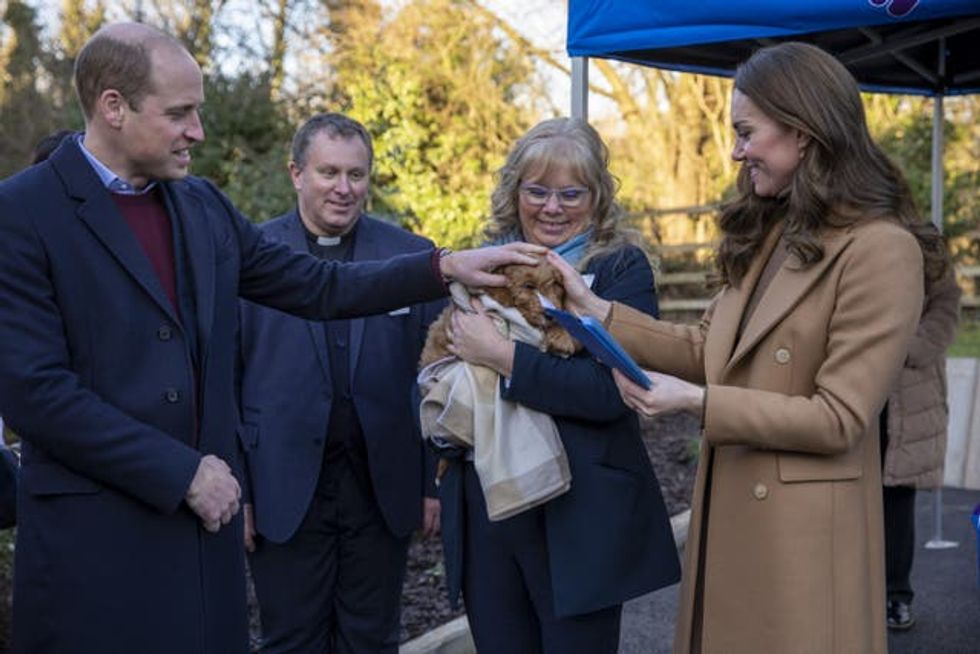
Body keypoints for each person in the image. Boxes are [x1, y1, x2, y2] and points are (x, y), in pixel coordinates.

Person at [0, 22, 539, 654]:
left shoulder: (200, 205)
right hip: (96, 548)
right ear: (114, 107)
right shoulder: (22, 212)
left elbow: (318, 286)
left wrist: (439, 267)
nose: (198, 131)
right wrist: (181, 474)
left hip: (201, 548)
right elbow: (36, 395)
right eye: (180, 113)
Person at [548, 42, 944, 653]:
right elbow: (709, 348)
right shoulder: (771, 229)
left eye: (746, 131)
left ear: (804, 131)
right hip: (732, 521)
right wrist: (594, 308)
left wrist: (699, 403)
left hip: (802, 551)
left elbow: (839, 418)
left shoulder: (881, 249)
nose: (735, 149)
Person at [438, 117, 680, 653]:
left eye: (571, 193)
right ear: (514, 193)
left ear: (597, 197)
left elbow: (607, 392)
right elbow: (444, 361)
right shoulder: (483, 267)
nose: (553, 207)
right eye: (538, 191)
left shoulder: (619, 269)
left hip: (581, 514)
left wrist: (503, 356)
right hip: (490, 511)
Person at [238, 112, 445, 653]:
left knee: (372, 640)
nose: (344, 188)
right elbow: (226, 383)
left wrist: (431, 483)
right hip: (282, 484)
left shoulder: (412, 258)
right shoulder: (248, 259)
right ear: (296, 173)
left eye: (357, 174)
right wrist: (241, 495)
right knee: (290, 640)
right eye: (329, 172)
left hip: (381, 486)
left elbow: (438, 379)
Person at [880, 256, 960, 631]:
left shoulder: (924, 244)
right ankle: (848, 591)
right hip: (852, 381)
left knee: (896, 498)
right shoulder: (837, 230)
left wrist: (911, 348)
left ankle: (896, 595)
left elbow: (945, 306)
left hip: (908, 390)